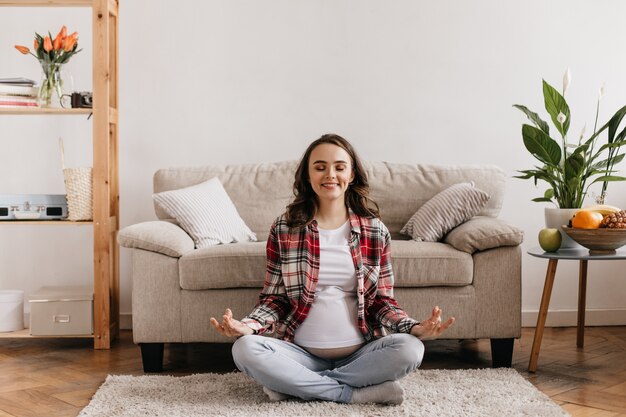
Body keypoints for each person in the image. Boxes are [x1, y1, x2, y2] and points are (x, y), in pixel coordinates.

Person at [210, 134, 454, 405]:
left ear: (351, 175)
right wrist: (247, 327)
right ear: (308, 175)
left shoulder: (374, 230)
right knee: (244, 349)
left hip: (360, 353)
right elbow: (274, 299)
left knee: (411, 349)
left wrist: (414, 328)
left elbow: (382, 302)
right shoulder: (285, 228)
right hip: (299, 353)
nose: (330, 174)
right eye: (320, 166)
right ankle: (351, 393)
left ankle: (294, 385)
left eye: (339, 167)